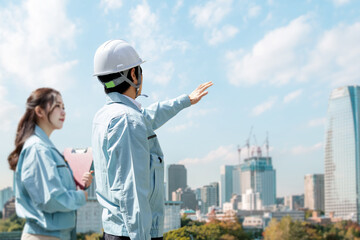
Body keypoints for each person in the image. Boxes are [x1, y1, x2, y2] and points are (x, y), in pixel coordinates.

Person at [92, 39, 213, 240]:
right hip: (135, 234)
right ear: (133, 74)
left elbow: (150, 115)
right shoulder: (127, 120)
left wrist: (186, 100)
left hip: (116, 231)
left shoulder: (106, 116)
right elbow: (131, 193)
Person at [8, 88, 93, 240]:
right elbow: (51, 199)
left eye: (64, 107)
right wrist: (81, 196)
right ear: (40, 111)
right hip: (43, 236)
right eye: (57, 106)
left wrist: (80, 185)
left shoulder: (46, 148)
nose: (63, 112)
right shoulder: (38, 149)